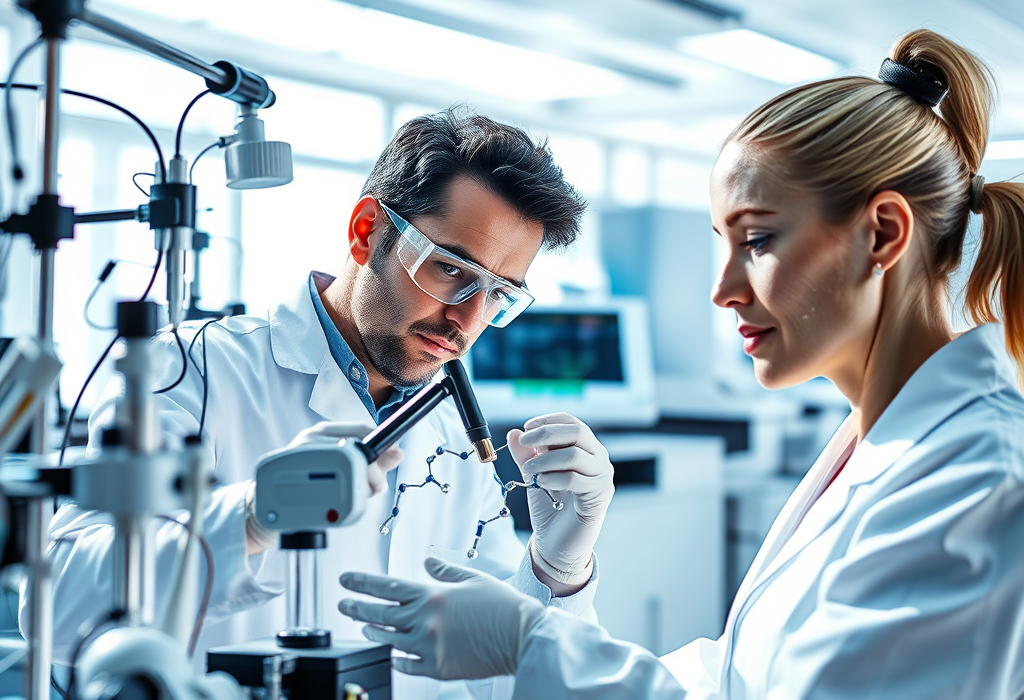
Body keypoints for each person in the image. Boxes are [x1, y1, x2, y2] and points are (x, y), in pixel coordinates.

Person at [339, 29, 1024, 699]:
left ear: (883, 234)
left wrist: (531, 643)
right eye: (723, 243)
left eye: (758, 240)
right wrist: (552, 593)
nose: (722, 290)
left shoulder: (976, 486)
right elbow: (735, 680)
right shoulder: (878, 444)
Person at [29, 108, 617, 700]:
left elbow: (501, 672)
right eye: (449, 269)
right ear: (367, 232)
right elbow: (56, 612)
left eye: (497, 294)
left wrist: (555, 573)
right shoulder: (191, 369)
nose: (467, 319)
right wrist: (251, 517)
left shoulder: (454, 429)